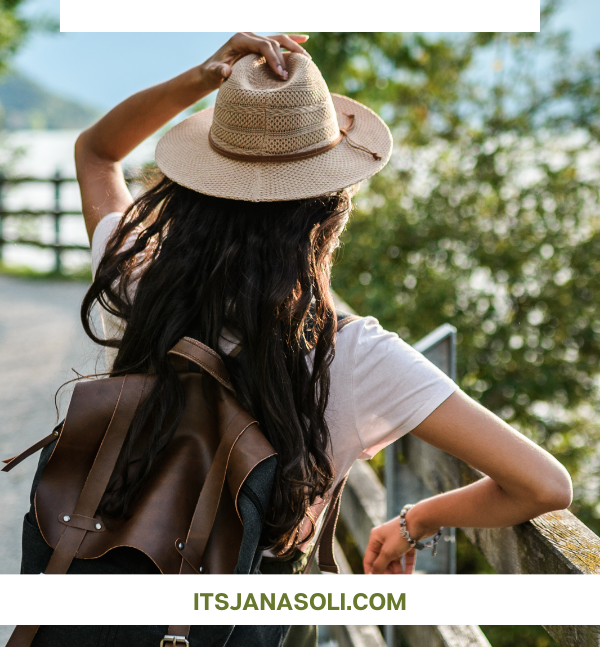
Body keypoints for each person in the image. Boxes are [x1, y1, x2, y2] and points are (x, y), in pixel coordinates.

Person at [74, 31, 572, 582]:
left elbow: (97, 150)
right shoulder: (355, 354)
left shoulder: (140, 276)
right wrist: (416, 521)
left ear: (197, 185)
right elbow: (545, 485)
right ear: (328, 212)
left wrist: (206, 73)